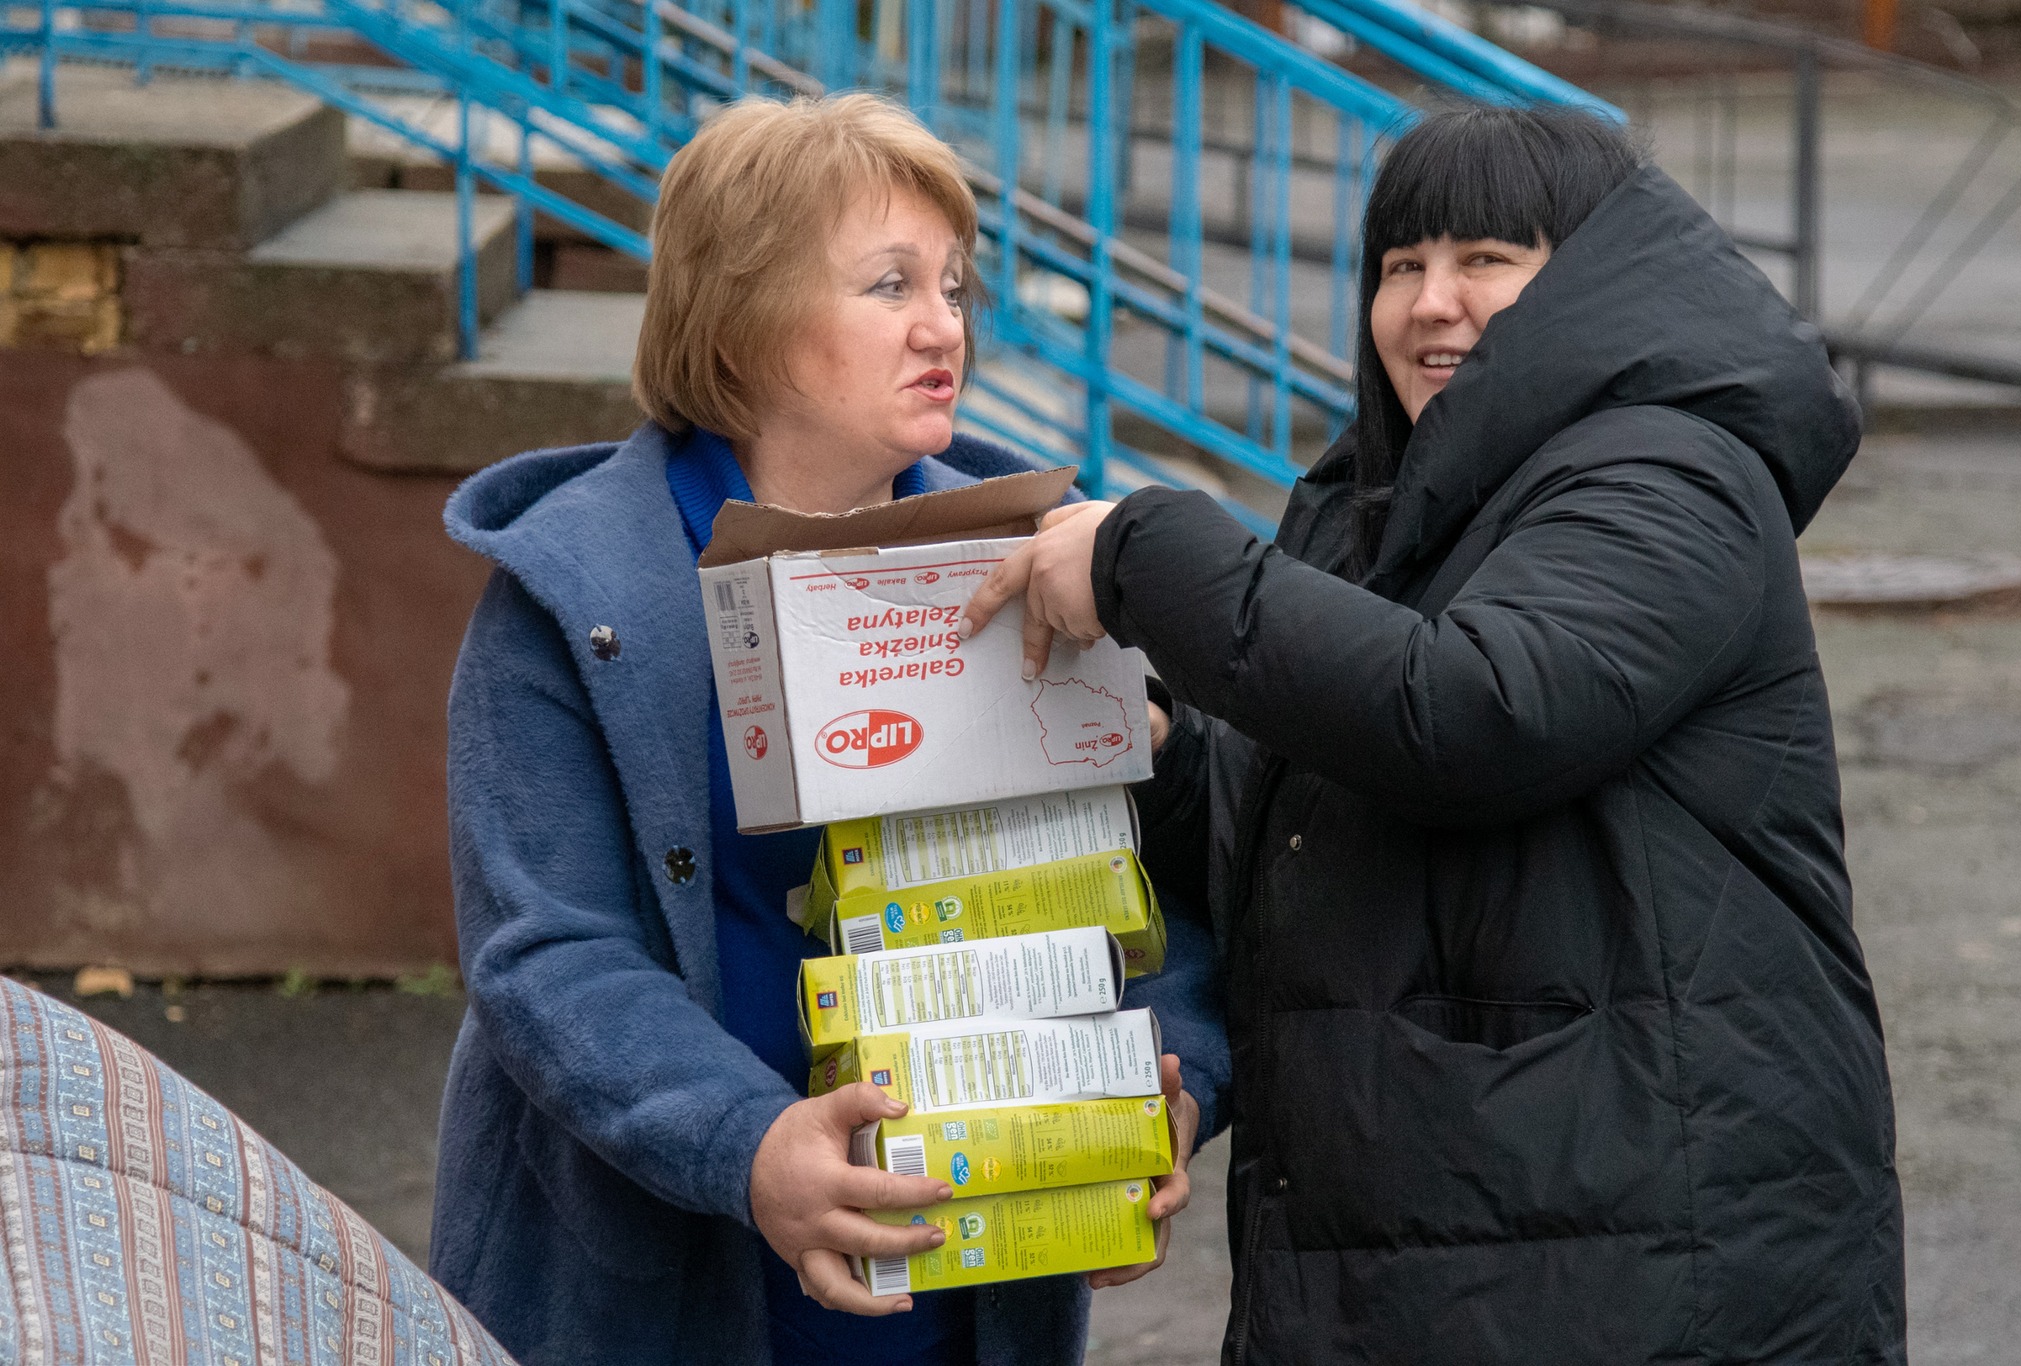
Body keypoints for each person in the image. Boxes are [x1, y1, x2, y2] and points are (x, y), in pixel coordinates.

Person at [966, 107, 1905, 1363]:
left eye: (1486, 261)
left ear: (1586, 282)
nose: (1430, 303)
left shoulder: (1668, 473)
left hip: (1636, 1259)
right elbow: (1314, 831)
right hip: (1429, 1250)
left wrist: (1144, 548)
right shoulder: (1378, 509)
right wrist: (1150, 754)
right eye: (1400, 265)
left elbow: (1470, 714)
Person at [431, 93, 1226, 1366]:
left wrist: (1158, 1095)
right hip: (651, 1293)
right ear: (743, 319)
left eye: (954, 287)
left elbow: (1158, 886)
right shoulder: (575, 592)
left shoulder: (1044, 554)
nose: (942, 328)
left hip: (962, 1299)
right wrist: (746, 1146)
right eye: (888, 284)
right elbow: (548, 954)